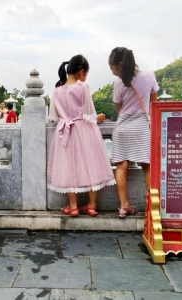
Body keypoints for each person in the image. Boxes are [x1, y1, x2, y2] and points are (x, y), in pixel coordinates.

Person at [47, 54, 116, 217]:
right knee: (91, 164)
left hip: (64, 131)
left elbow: (55, 117)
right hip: (83, 130)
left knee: (69, 166)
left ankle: (73, 206)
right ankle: (91, 205)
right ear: (81, 72)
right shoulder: (82, 87)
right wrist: (97, 117)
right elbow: (89, 113)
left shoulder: (56, 91)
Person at [108, 47, 159, 218]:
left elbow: (118, 108)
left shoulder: (119, 83)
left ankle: (124, 206)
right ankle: (152, 208)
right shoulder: (149, 76)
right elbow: (154, 103)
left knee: (121, 166)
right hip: (142, 126)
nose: (113, 72)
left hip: (122, 127)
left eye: (113, 68)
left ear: (119, 65)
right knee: (147, 165)